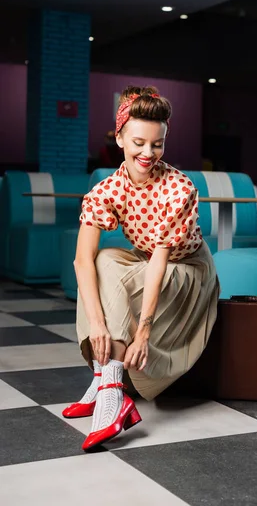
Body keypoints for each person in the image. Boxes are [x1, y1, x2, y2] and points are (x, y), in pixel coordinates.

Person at [63, 86, 220, 451]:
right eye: (138, 142)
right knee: (102, 262)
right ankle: (106, 379)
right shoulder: (106, 190)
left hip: (187, 270)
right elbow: (81, 260)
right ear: (119, 138)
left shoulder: (178, 188)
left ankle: (111, 391)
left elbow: (161, 262)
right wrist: (99, 326)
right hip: (147, 261)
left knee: (117, 274)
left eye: (158, 144)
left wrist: (144, 332)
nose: (148, 153)